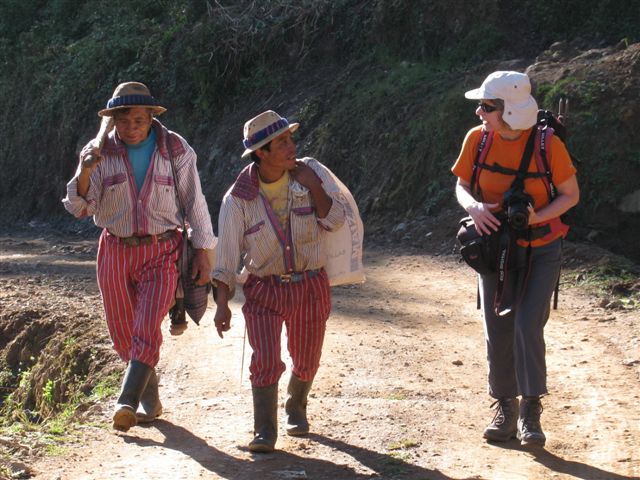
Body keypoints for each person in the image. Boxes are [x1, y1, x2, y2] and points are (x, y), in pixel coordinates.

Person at [62, 82, 216, 432]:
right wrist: (86, 170)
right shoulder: (98, 151)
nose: (131, 127)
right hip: (115, 249)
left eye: (139, 120)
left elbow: (195, 202)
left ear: (150, 119)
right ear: (113, 120)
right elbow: (78, 206)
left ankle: (126, 401)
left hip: (163, 248)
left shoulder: (175, 148)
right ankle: (150, 398)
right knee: (122, 333)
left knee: (147, 326)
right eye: (124, 120)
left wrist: (204, 250)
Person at [451, 71, 579, 447]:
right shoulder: (477, 139)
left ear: (509, 112)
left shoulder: (547, 144)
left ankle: (530, 410)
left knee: (526, 325)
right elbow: (461, 184)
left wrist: (539, 216)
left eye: (487, 107)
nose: (479, 112)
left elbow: (570, 194)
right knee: (497, 327)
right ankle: (504, 407)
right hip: (494, 247)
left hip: (542, 247)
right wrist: (474, 207)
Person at [212, 110, 346, 452]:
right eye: (282, 142)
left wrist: (314, 185)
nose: (292, 147)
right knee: (266, 359)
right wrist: (223, 304)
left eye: (290, 139)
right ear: (262, 153)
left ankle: (296, 404)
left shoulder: (310, 175)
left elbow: (335, 220)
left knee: (307, 358)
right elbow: (225, 257)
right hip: (264, 289)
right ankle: (264, 430)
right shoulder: (237, 200)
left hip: (310, 284)